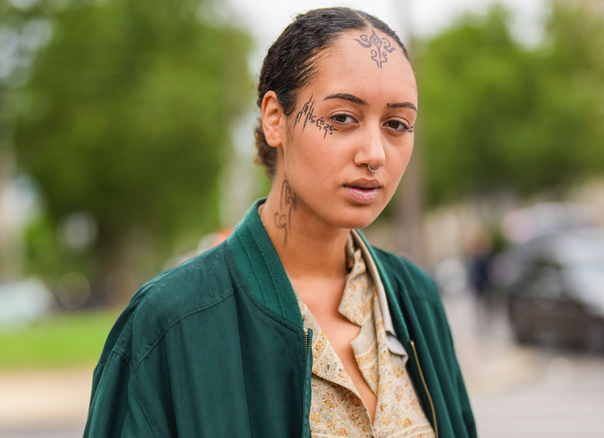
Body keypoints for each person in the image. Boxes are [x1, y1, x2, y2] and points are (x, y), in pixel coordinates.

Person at [84, 7, 476, 437]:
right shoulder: (170, 322)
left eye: (396, 124)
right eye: (343, 118)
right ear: (275, 118)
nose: (375, 154)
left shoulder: (415, 299)